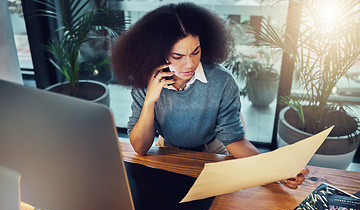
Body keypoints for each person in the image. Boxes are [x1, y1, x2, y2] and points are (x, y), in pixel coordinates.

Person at [111, 2, 308, 189]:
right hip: (168, 151)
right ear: (158, 54)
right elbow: (140, 148)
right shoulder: (147, 82)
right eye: (178, 56)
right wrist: (149, 102)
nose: (189, 64)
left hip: (214, 152)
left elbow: (234, 140)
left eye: (195, 52)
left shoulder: (222, 82)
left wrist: (275, 170)